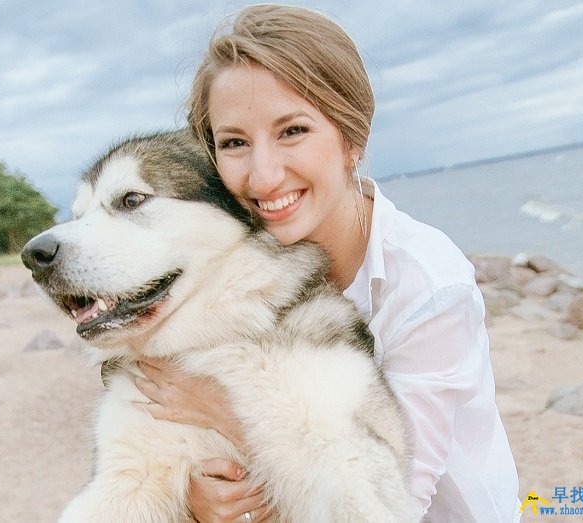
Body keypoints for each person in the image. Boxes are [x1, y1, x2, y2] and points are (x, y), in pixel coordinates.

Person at [134, 4, 521, 522]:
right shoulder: (230, 270)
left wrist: (228, 409)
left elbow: (392, 500)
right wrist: (196, 499)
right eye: (234, 143)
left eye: (292, 130)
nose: (264, 176)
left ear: (351, 138)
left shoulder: (426, 284)